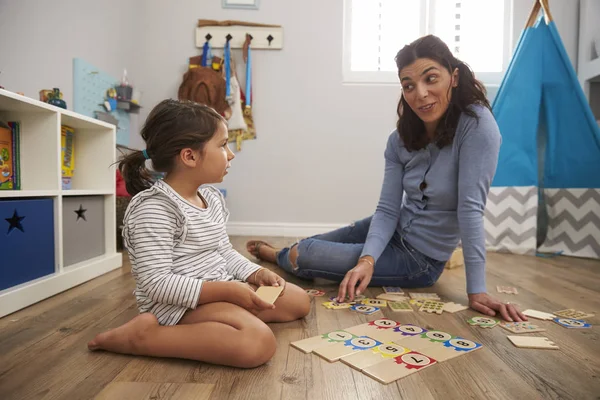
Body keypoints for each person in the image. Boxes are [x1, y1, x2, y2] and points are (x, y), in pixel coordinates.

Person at [247, 35, 526, 323]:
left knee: (300, 255)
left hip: (420, 259)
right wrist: (367, 260)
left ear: (453, 77)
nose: (420, 94)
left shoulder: (477, 126)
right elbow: (388, 209)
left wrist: (476, 291)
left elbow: (470, 209)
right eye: (408, 85)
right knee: (305, 248)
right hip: (393, 228)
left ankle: (279, 256)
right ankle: (283, 253)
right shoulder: (399, 139)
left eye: (431, 79)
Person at [87, 99, 311, 368]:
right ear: (190, 156)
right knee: (257, 344)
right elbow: (156, 284)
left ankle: (225, 321)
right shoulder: (154, 209)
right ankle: (144, 336)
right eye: (222, 145)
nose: (230, 154)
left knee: (299, 301)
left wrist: (253, 274)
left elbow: (223, 251)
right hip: (178, 305)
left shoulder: (211, 198)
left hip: (220, 286)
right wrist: (227, 291)